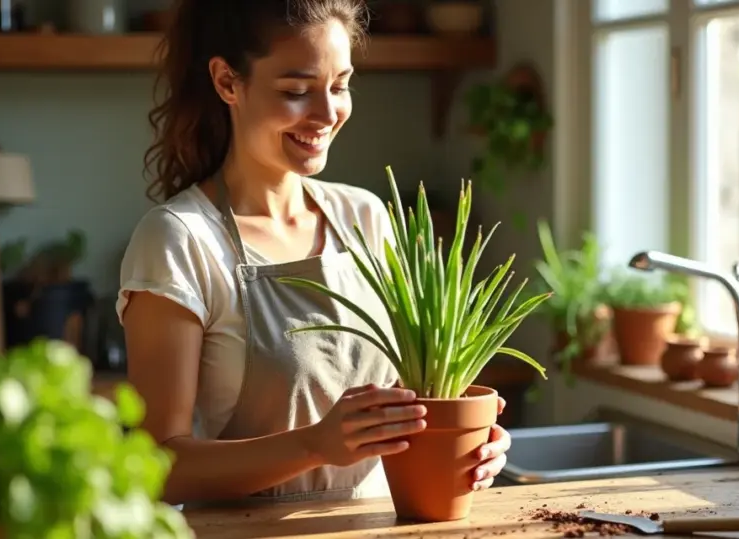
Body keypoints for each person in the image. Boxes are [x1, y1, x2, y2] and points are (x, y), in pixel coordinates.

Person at [117, 0, 513, 507]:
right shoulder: (180, 239)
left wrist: (465, 440)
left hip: (381, 527)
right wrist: (314, 445)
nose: (327, 115)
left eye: (340, 86)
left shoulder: (365, 217)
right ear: (227, 82)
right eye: (297, 91)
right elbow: (157, 467)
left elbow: (409, 401)